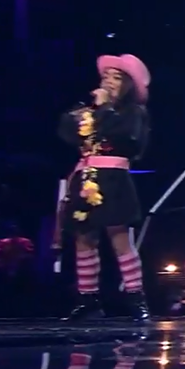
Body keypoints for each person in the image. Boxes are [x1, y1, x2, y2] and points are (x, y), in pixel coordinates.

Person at [56, 54, 152, 322]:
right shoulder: (90, 110)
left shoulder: (133, 112)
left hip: (114, 179)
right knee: (84, 238)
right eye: (105, 76)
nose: (108, 81)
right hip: (86, 176)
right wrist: (88, 114)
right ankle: (88, 299)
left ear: (128, 84)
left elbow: (127, 138)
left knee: (120, 239)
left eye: (116, 77)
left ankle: (135, 297)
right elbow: (67, 132)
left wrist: (105, 109)